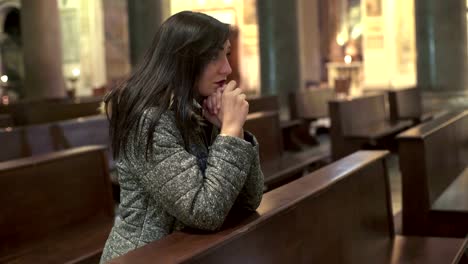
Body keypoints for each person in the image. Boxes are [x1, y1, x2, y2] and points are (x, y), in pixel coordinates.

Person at [100, 11, 264, 262]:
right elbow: (205, 212)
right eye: (213, 56)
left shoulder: (198, 110)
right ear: (183, 60)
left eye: (226, 54)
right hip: (143, 256)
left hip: (184, 252)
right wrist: (230, 132)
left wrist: (233, 132)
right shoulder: (148, 122)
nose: (228, 68)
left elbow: (249, 201)